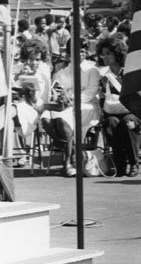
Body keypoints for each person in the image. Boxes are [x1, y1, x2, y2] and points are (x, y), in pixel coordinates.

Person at [40, 38, 102, 177]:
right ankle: (73, 150)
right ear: (69, 54)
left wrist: (71, 98)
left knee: (63, 120)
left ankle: (67, 160)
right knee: (46, 118)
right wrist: (61, 97)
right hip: (66, 106)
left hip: (87, 106)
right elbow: (57, 90)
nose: (80, 54)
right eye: (76, 51)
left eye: (83, 51)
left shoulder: (92, 70)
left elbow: (91, 92)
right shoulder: (62, 72)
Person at [97, 35, 141, 177]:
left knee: (127, 122)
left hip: (134, 110)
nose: (105, 57)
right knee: (111, 123)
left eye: (108, 54)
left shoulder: (130, 71)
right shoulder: (104, 74)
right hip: (113, 111)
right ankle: (119, 163)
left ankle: (134, 162)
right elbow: (102, 97)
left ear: (117, 53)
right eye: (102, 54)